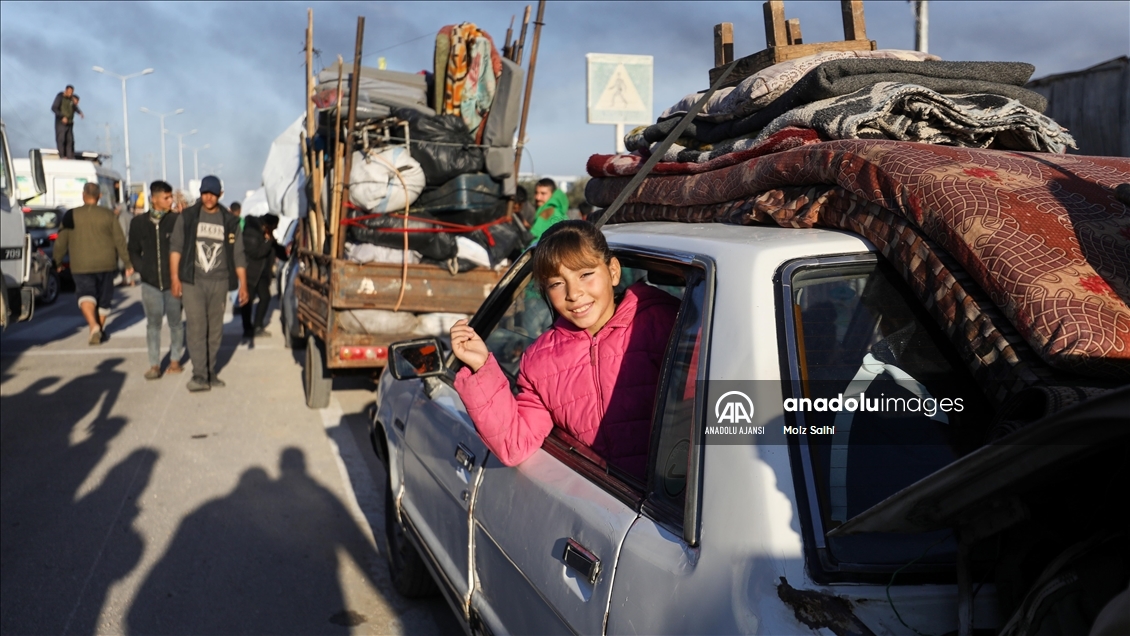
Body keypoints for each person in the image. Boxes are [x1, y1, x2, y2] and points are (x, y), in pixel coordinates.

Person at [449, 220, 679, 480]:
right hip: (602, 506)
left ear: (613, 271)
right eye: (557, 283)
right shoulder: (540, 361)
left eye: (585, 274)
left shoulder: (667, 325)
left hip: (677, 505)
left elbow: (723, 424)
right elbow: (513, 445)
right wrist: (481, 367)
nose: (574, 293)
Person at [170, 176, 249, 392]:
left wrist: (243, 285)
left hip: (220, 282)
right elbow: (175, 248)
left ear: (220, 194)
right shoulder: (188, 217)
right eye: (205, 193)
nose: (208, 197)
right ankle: (199, 374)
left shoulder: (230, 221)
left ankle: (209, 371)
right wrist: (175, 278)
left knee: (215, 331)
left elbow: (239, 254)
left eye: (212, 194)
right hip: (193, 281)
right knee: (197, 327)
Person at [54, 182, 133, 345]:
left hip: (80, 264)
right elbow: (120, 241)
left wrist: (58, 260)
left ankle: (93, 326)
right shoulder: (108, 215)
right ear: (100, 196)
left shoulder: (70, 215)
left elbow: (61, 241)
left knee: (85, 294)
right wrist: (127, 263)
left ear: (83, 195)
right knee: (104, 299)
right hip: (106, 264)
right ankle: (99, 329)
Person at [128, 180, 185, 380]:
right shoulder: (138, 223)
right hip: (150, 283)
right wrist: (142, 270)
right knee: (153, 325)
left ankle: (176, 359)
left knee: (176, 323)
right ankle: (154, 365)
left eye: (171, 197)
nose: (170, 201)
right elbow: (133, 250)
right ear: (154, 199)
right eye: (166, 197)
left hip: (173, 283)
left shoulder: (177, 220)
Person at [240, 213, 282, 338]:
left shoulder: (266, 233)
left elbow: (275, 249)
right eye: (274, 227)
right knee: (248, 301)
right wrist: (268, 241)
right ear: (267, 225)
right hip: (250, 272)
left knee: (265, 297)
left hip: (262, 274)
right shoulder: (251, 232)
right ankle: (247, 328)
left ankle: (258, 326)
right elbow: (257, 253)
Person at [51, 85, 84, 159]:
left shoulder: (70, 99)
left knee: (70, 140)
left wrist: (80, 113)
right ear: (66, 90)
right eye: (69, 92)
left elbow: (74, 107)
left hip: (69, 123)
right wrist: (62, 117)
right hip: (61, 122)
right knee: (61, 139)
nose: (70, 94)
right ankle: (62, 156)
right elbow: (54, 108)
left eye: (71, 92)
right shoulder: (60, 97)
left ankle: (70, 156)